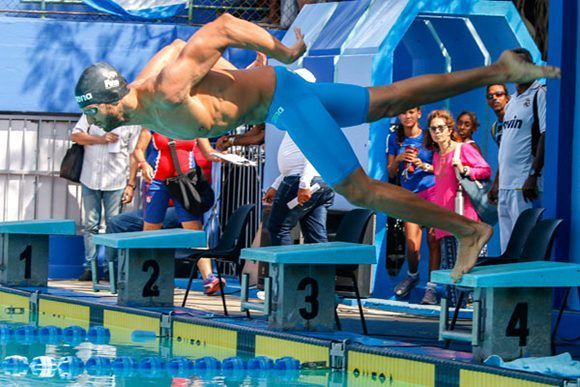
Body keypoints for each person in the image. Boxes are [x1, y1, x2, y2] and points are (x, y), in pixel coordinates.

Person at [74, 14, 560, 280]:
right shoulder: (135, 107)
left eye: (91, 112)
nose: (90, 122)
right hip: (281, 97)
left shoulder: (166, 89)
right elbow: (178, 61)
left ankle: (467, 231)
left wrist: (284, 49)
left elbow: (220, 26)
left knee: (360, 189)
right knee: (392, 99)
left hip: (284, 99)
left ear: (104, 104)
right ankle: (499, 70)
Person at [133, 129, 225, 295]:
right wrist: (143, 163)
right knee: (150, 230)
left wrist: (225, 156)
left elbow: (208, 152)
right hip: (157, 182)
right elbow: (138, 149)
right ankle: (144, 277)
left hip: (184, 183)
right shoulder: (152, 123)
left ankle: (209, 278)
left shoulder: (193, 124)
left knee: (194, 230)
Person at [422, 110, 492, 305]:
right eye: (433, 128)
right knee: (452, 272)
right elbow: (440, 189)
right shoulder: (436, 156)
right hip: (446, 222)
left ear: (449, 129)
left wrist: (466, 169)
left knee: (471, 271)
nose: (437, 132)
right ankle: (457, 320)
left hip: (467, 219)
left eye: (440, 128)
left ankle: (475, 317)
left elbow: (486, 170)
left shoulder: (463, 149)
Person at [70, 114, 140, 281]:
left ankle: (111, 269)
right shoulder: (92, 115)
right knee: (90, 225)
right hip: (90, 177)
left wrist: (131, 185)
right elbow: (76, 135)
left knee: (113, 225)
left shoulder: (132, 121)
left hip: (116, 180)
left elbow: (134, 155)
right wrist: (100, 139)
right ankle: (90, 267)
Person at [386, 107, 440, 305]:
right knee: (411, 244)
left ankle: (432, 289)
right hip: (410, 196)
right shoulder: (394, 138)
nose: (407, 117)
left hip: (433, 192)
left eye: (411, 112)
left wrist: (424, 165)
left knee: (434, 240)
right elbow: (391, 173)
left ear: (419, 114)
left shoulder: (429, 136)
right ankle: (412, 274)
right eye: (403, 113)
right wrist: (400, 159)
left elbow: (442, 164)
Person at [495, 48, 546, 253]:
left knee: (524, 246)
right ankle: (509, 287)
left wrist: (533, 174)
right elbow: (507, 144)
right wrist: (498, 181)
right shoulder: (512, 101)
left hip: (523, 184)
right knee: (507, 248)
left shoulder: (539, 94)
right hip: (505, 185)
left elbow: (545, 134)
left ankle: (526, 287)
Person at [263, 131, 334, 245]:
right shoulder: (299, 120)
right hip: (319, 181)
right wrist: (275, 185)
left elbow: (313, 152)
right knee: (315, 235)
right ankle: (321, 262)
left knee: (278, 228)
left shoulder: (305, 119)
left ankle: (285, 263)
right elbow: (297, 161)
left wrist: (304, 184)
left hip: (304, 181)